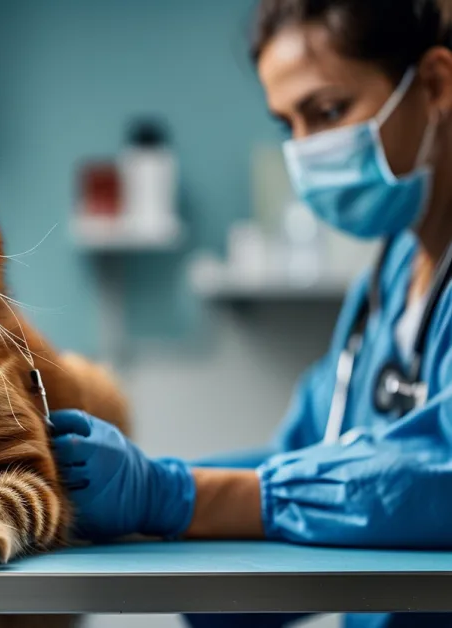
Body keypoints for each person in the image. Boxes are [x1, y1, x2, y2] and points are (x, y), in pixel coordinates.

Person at [50, 1, 452, 627]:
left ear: (434, 84)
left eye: (327, 112)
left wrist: (176, 497)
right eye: (288, 125)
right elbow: (310, 455)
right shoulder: (389, 279)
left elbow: (434, 483)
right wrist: (159, 490)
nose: (306, 151)